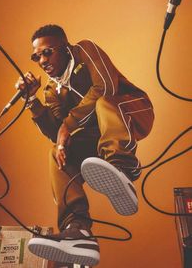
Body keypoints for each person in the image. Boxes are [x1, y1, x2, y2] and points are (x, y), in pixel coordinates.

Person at [15, 24, 154, 266]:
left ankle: (123, 168)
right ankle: (77, 229)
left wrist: (68, 124)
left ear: (66, 48)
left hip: (131, 111)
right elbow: (56, 132)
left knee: (104, 103)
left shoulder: (83, 50)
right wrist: (31, 101)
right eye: (36, 56)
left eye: (48, 51)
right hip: (99, 137)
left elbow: (106, 86)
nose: (42, 60)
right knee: (56, 153)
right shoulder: (51, 89)